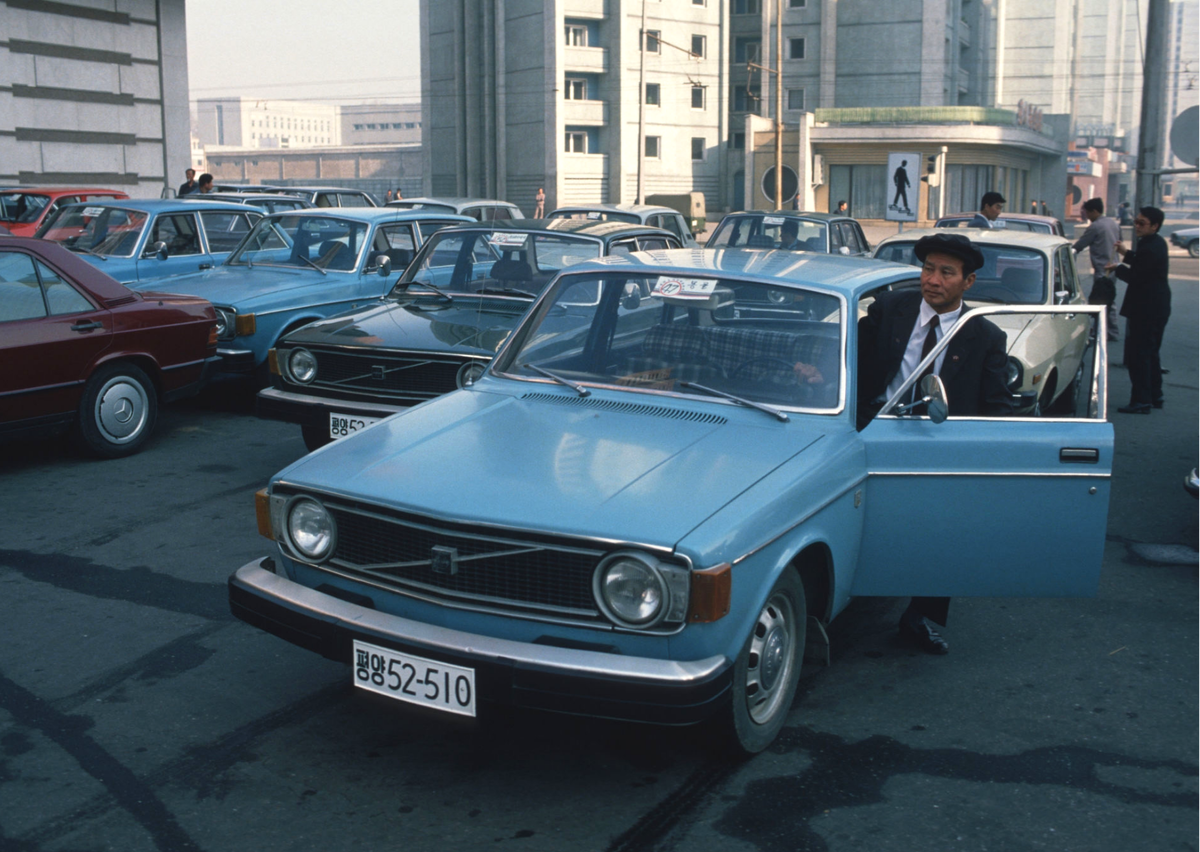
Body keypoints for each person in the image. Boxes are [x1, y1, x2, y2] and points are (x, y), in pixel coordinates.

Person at [858, 232, 1013, 654]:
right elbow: (851, 355)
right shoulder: (891, 308)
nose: (933, 280)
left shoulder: (984, 337)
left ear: (968, 282)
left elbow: (997, 407)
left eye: (947, 272)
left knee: (942, 529)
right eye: (928, 269)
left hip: (937, 440)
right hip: (872, 427)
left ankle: (919, 616)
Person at [1108, 206, 1170, 413]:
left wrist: (1117, 267)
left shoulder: (1151, 246)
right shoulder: (1154, 243)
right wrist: (1126, 254)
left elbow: (1137, 277)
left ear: (1155, 225)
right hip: (1154, 306)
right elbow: (1142, 264)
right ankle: (1155, 395)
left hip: (1147, 308)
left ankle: (1142, 401)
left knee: (1139, 355)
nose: (1136, 226)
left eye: (1141, 223)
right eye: (1136, 222)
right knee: (1150, 352)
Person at [1073, 198, 1121, 341]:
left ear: (1094, 211)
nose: (1086, 216)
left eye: (1087, 212)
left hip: (1102, 268)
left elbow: (1080, 244)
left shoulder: (1095, 226)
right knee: (1109, 300)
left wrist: (1069, 252)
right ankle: (1111, 331)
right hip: (1114, 266)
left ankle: (1103, 331)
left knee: (1099, 301)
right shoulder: (1113, 223)